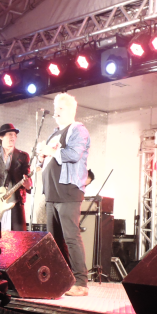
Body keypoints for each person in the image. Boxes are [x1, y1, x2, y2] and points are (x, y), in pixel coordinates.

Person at [39, 93, 91, 296]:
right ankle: (62, 279)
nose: (56, 112)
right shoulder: (54, 133)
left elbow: (74, 154)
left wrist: (50, 151)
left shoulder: (78, 130)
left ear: (70, 110)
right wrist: (42, 155)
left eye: (60, 108)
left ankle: (81, 283)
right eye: (55, 108)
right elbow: (48, 159)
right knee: (54, 240)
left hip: (68, 191)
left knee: (71, 237)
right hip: (52, 192)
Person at [0, 123, 33, 231]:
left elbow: (27, 176)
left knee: (18, 238)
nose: (13, 137)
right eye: (10, 134)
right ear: (1, 137)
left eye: (15, 135)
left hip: (15, 202)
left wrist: (28, 185)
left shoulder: (23, 156)